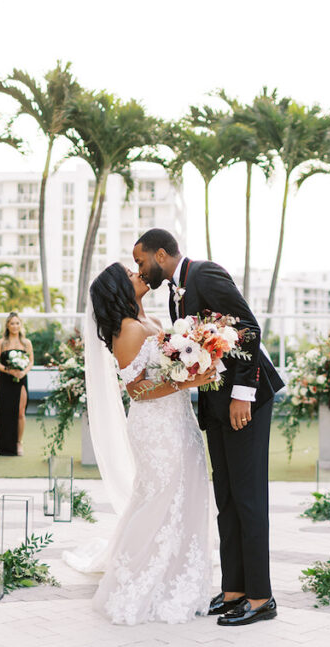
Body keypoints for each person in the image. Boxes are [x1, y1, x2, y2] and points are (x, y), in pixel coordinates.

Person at [134, 228, 284, 626]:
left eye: (141, 261)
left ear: (161, 254)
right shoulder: (174, 291)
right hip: (216, 405)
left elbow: (249, 329)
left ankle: (260, 596)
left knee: (249, 498)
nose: (140, 269)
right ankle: (234, 589)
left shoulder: (206, 273)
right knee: (228, 497)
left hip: (245, 400)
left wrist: (242, 394)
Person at [86, 261, 215, 625]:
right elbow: (137, 391)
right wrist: (187, 383)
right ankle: (136, 580)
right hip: (154, 426)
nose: (137, 274)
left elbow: (171, 366)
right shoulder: (126, 330)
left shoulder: (154, 321)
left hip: (180, 420)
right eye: (129, 274)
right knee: (158, 498)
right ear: (118, 290)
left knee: (187, 493)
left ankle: (178, 575)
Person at [0, 314, 33, 457]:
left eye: (17, 323)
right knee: (5, 412)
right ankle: (3, 446)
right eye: (12, 323)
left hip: (21, 380)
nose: (15, 326)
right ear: (7, 326)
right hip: (5, 380)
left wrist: (23, 372)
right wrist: (9, 370)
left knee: (20, 412)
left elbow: (31, 362)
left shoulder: (26, 343)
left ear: (21, 325)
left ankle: (18, 442)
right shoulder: (1, 343)